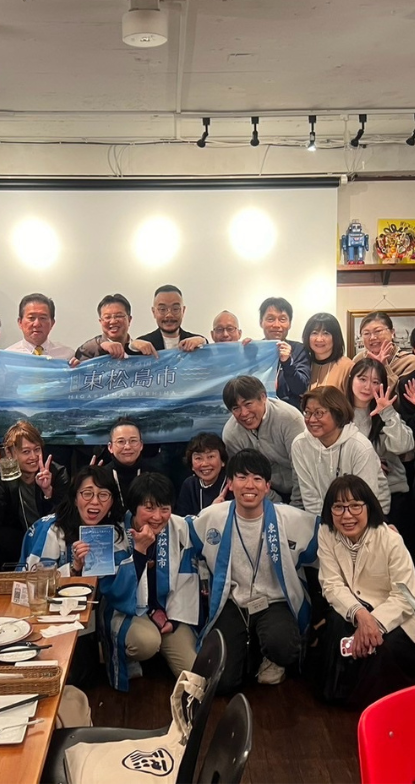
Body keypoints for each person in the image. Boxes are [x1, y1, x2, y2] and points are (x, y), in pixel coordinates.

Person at [188, 449, 320, 694]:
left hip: (275, 602)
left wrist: (381, 529)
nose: (250, 485)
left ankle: (271, 656)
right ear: (230, 483)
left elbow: (328, 536)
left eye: (258, 479)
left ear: (268, 486)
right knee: (222, 683)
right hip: (233, 602)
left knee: (283, 646)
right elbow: (183, 534)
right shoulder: (213, 517)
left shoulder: (290, 518)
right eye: (242, 477)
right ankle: (251, 650)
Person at [316, 475, 415, 709]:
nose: (346, 515)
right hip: (354, 607)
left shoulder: (390, 540)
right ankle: (340, 695)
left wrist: (374, 623)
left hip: (395, 613)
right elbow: (331, 584)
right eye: (338, 507)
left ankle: (378, 707)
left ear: (369, 507)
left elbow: (406, 597)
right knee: (336, 629)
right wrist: (362, 616)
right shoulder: (326, 533)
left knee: (384, 647)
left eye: (355, 506)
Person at [101, 473, 199, 691]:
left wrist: (175, 619)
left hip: (168, 610)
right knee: (146, 642)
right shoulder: (116, 532)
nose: (158, 517)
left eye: (164, 508)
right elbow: (115, 591)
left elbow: (187, 578)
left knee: (194, 673)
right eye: (149, 508)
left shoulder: (179, 527)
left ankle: (163, 644)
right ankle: (129, 655)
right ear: (134, 507)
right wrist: (139, 551)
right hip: (127, 611)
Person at [291, 386, 391, 515]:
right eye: (307, 413)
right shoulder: (300, 445)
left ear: (337, 413)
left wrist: (343, 522)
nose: (311, 420)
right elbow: (310, 497)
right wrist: (324, 523)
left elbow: (366, 498)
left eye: (318, 413)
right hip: (325, 517)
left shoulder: (359, 446)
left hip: (367, 514)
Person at [345, 359, 414, 535]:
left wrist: (387, 413)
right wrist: (371, 464)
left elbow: (403, 446)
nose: (368, 387)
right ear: (351, 378)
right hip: (353, 496)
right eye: (362, 379)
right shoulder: (340, 414)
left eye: (375, 382)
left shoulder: (387, 413)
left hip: (393, 493)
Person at [222, 375, 304, 503]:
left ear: (263, 397)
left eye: (248, 404)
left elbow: (303, 469)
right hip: (265, 494)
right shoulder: (231, 434)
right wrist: (275, 504)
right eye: (236, 408)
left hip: (301, 489)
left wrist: (296, 506)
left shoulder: (290, 419)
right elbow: (244, 476)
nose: (244, 413)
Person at [0, 421, 69, 568]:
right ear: (9, 453)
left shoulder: (57, 473)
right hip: (18, 541)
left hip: (50, 539)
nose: (33, 457)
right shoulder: (4, 477)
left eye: (37, 450)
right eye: (26, 452)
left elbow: (66, 516)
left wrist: (48, 491)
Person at [257, 297, 310, 409]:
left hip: (290, 413)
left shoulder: (299, 349)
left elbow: (301, 388)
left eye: (282, 319)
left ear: (289, 324)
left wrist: (287, 363)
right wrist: (244, 350)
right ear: (261, 322)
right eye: (270, 319)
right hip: (259, 413)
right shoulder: (255, 350)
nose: (276, 325)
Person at [130, 284, 207, 355]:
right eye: (162, 309)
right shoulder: (143, 343)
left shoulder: (197, 342)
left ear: (183, 311)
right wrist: (131, 346)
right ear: (154, 312)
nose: (169, 315)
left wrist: (204, 342)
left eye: (175, 309)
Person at [102, 417, 157, 510]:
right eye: (121, 441)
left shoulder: (155, 476)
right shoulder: (101, 477)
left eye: (133, 441)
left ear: (141, 445)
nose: (127, 447)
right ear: (110, 447)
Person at [354, 311, 415, 392]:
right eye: (366, 333)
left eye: (378, 331)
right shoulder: (358, 359)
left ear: (392, 332)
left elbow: (401, 395)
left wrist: (384, 367)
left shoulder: (409, 361)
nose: (372, 337)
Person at [176, 432, 234, 516]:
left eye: (210, 457)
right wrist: (210, 510)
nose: (204, 464)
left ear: (223, 461)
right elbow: (182, 521)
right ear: (192, 465)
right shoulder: (189, 485)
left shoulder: (232, 484)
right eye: (198, 458)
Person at [5, 293, 74, 360]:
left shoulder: (67, 356)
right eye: (31, 318)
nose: (37, 324)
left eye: (42, 318)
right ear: (20, 322)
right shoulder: (7, 357)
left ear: (52, 323)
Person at [75, 293, 139, 362]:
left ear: (129, 320)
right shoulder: (88, 350)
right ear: (100, 321)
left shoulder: (139, 350)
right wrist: (101, 347)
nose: (113, 321)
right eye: (107, 317)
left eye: (119, 316)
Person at [302, 312, 353, 393]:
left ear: (335, 337)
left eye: (326, 333)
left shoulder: (347, 367)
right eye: (314, 333)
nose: (319, 339)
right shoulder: (303, 364)